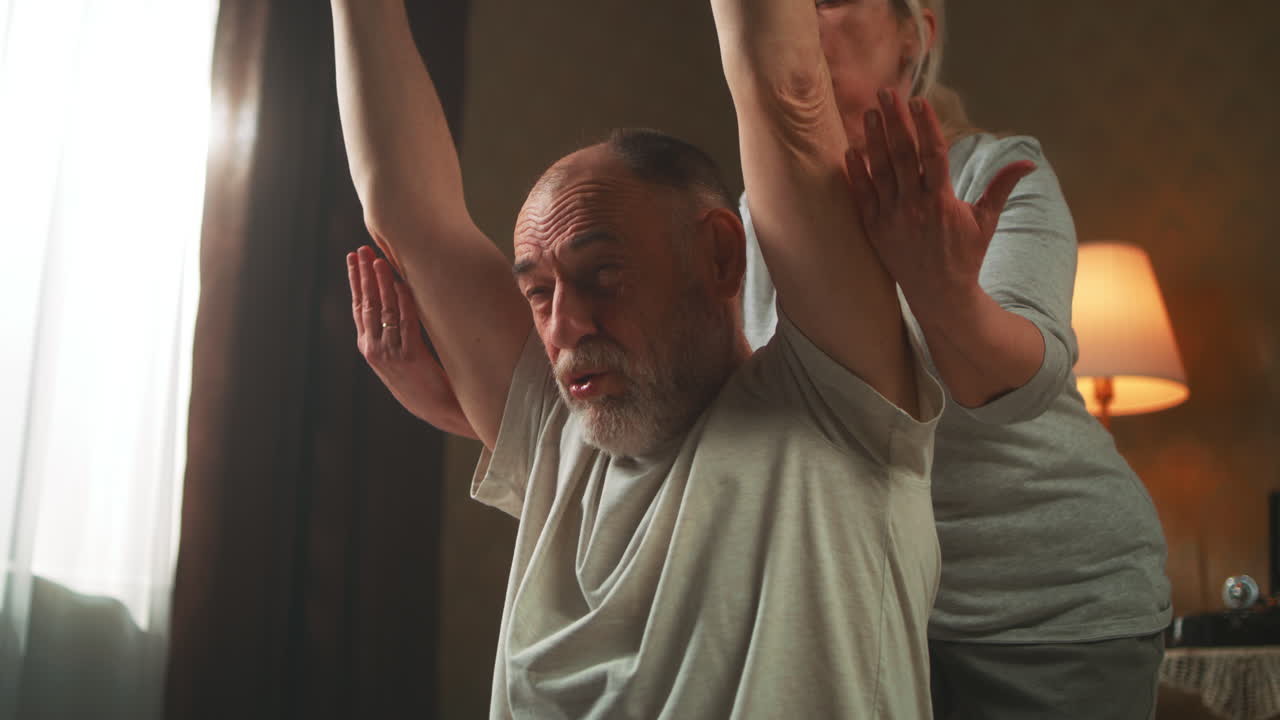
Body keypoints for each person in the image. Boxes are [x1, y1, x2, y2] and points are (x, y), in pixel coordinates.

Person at [353, 2, 1172, 719]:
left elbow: (781, 88)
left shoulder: (984, 179)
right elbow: (412, 214)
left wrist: (946, 294)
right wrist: (483, 403)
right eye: (542, 292)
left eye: (605, 272)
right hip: (870, 583)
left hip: (1047, 607)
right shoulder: (754, 228)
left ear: (914, 36)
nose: (806, 21)